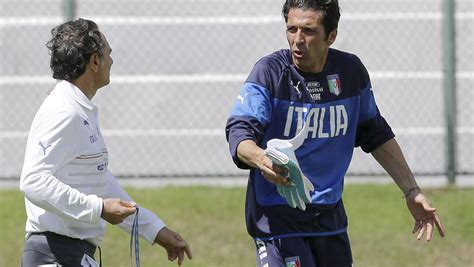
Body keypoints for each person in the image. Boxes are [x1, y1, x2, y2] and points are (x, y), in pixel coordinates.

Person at [225, 1, 445, 266]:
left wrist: (412, 191)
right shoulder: (270, 73)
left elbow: (375, 133)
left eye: (308, 30)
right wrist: (261, 158)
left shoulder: (350, 73)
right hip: (278, 219)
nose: (297, 40)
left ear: (331, 36)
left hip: (329, 219)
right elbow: (239, 132)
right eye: (291, 29)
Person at [20, 18, 192, 267]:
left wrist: (153, 229)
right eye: (108, 54)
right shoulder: (63, 110)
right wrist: (98, 208)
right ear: (94, 61)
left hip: (74, 254)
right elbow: (33, 181)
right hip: (53, 254)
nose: (111, 61)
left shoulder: (81, 109)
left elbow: (98, 180)